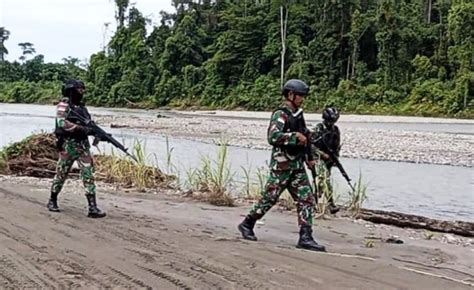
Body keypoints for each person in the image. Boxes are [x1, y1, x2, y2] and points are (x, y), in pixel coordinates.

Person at [238, 79, 326, 252]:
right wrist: (294, 137)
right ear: (290, 95)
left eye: (303, 95)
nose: (302, 99)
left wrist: (309, 157)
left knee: (306, 199)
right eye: (300, 95)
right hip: (282, 166)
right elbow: (273, 137)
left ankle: (306, 236)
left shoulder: (297, 114)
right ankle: (247, 223)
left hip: (297, 165)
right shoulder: (281, 114)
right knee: (269, 198)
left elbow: (306, 137)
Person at [47, 79, 106, 218]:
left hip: (82, 145)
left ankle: (92, 207)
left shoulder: (82, 108)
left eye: (83, 89)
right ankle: (52, 200)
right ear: (71, 90)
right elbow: (62, 123)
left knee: (88, 174)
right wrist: (80, 128)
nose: (82, 92)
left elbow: (90, 126)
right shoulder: (63, 105)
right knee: (61, 173)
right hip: (68, 144)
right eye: (79, 89)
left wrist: (98, 135)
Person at [310, 107, 341, 214]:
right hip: (317, 157)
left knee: (322, 182)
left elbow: (336, 146)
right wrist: (322, 154)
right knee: (323, 179)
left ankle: (314, 202)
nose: (331, 122)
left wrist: (335, 158)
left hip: (329, 159)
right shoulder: (318, 128)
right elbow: (310, 145)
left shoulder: (335, 130)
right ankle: (330, 203)